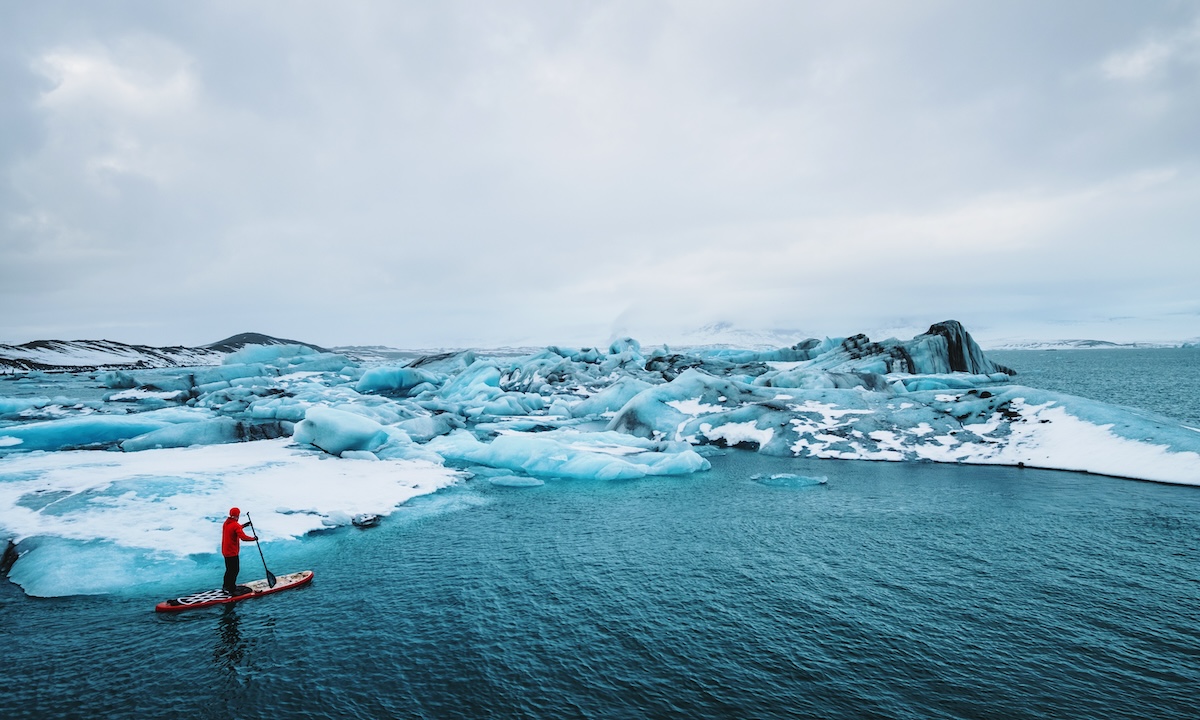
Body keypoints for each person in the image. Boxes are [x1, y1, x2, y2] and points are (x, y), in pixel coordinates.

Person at [222, 507, 258, 595]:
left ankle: (226, 586)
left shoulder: (226, 523)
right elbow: (243, 538)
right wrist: (254, 539)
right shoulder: (235, 525)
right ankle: (231, 589)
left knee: (229, 570)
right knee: (235, 570)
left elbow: (235, 528)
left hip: (225, 551)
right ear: (237, 515)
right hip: (232, 552)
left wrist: (244, 525)